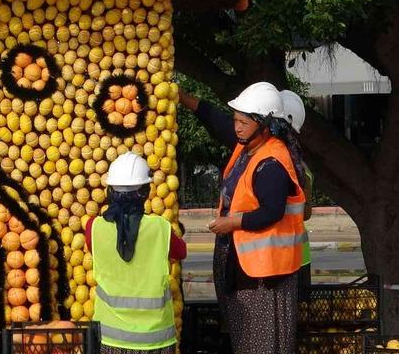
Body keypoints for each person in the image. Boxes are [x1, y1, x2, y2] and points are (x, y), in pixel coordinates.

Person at [179, 82, 306, 354]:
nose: (236, 127)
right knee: (244, 340)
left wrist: (232, 222)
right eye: (236, 120)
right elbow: (215, 119)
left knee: (261, 342)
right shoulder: (246, 144)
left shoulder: (272, 162)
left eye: (242, 121)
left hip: (263, 274)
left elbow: (272, 211)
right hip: (242, 266)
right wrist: (182, 98)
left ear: (263, 124)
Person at [87, 152, 186, 354]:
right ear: (145, 192)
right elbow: (181, 251)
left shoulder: (94, 227)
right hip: (155, 339)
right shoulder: (160, 228)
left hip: (110, 338)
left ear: (110, 191)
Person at [279, 89, 313, 300]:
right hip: (297, 256)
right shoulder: (301, 164)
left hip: (281, 259)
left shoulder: (279, 162)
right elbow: (306, 212)